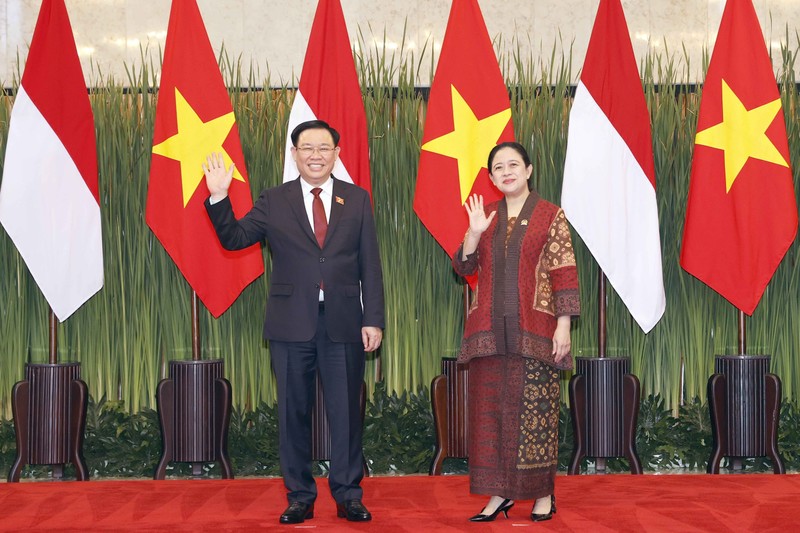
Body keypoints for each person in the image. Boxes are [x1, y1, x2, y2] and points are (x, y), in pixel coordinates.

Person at [202, 120, 385, 524]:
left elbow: (369, 263)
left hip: (343, 323)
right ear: (294, 154)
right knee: (292, 414)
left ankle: (348, 494)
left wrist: (373, 318)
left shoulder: (356, 200)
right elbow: (235, 239)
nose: (316, 154)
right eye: (307, 148)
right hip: (290, 324)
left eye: (324, 147)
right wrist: (219, 196)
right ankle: (300, 495)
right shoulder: (275, 199)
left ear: (337, 153)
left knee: (347, 415)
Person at [453, 141, 580, 523]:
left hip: (536, 333)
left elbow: (564, 272)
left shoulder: (549, 215)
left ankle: (543, 493)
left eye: (513, 164)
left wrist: (563, 324)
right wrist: (473, 234)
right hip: (488, 334)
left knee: (535, 417)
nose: (506, 171)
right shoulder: (485, 215)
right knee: (491, 418)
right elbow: (463, 267)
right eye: (498, 167)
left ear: (529, 170)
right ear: (491, 178)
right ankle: (498, 496)